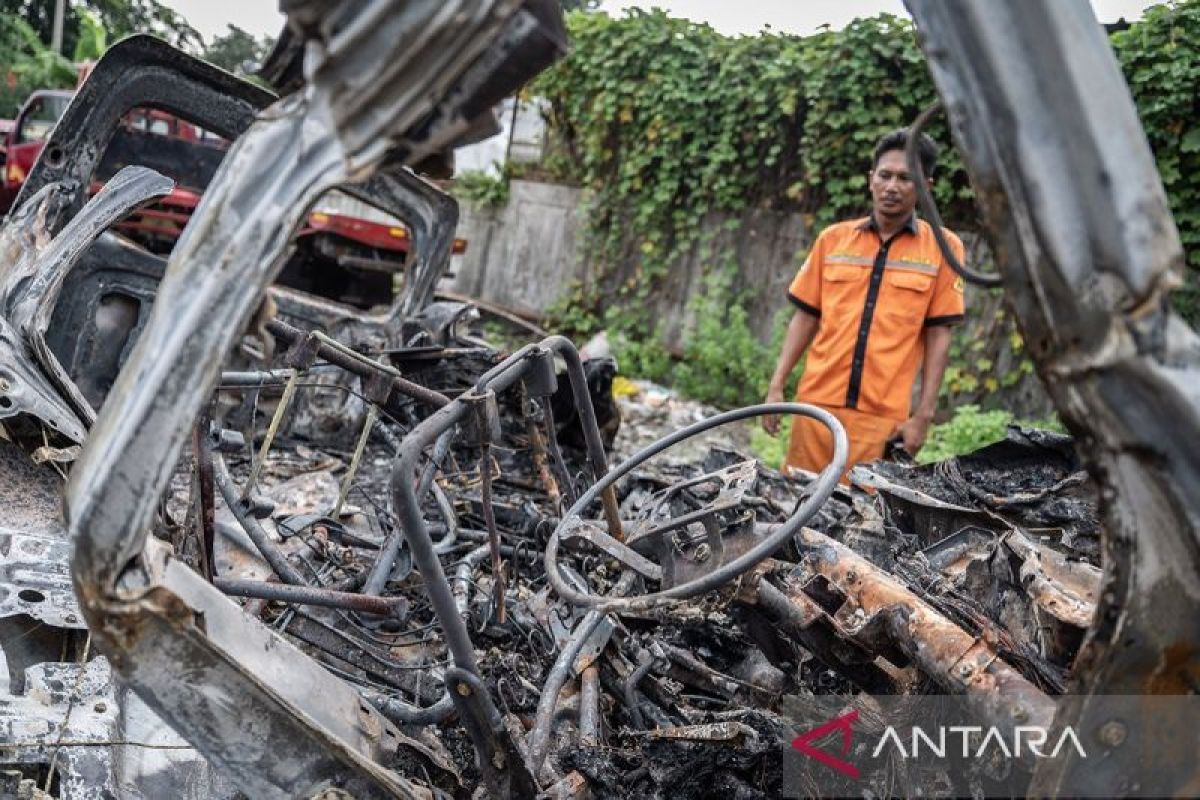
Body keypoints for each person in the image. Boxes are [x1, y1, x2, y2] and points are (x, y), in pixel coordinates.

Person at [762, 128, 965, 478]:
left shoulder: (944, 249)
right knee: (794, 505)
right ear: (871, 179)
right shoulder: (833, 240)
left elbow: (939, 336)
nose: (892, 186)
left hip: (881, 419)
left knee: (862, 519)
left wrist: (923, 415)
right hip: (816, 407)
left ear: (926, 186)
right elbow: (805, 318)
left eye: (905, 178)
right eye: (885, 175)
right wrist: (776, 385)